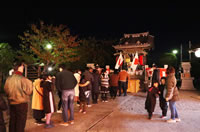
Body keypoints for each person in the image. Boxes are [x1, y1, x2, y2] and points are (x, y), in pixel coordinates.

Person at [4, 62, 33, 132]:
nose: (23, 68)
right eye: (22, 67)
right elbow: (29, 91)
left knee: (12, 120)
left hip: (11, 102)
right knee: (20, 121)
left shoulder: (8, 79)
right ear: (19, 67)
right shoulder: (23, 79)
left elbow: (6, 90)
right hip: (21, 103)